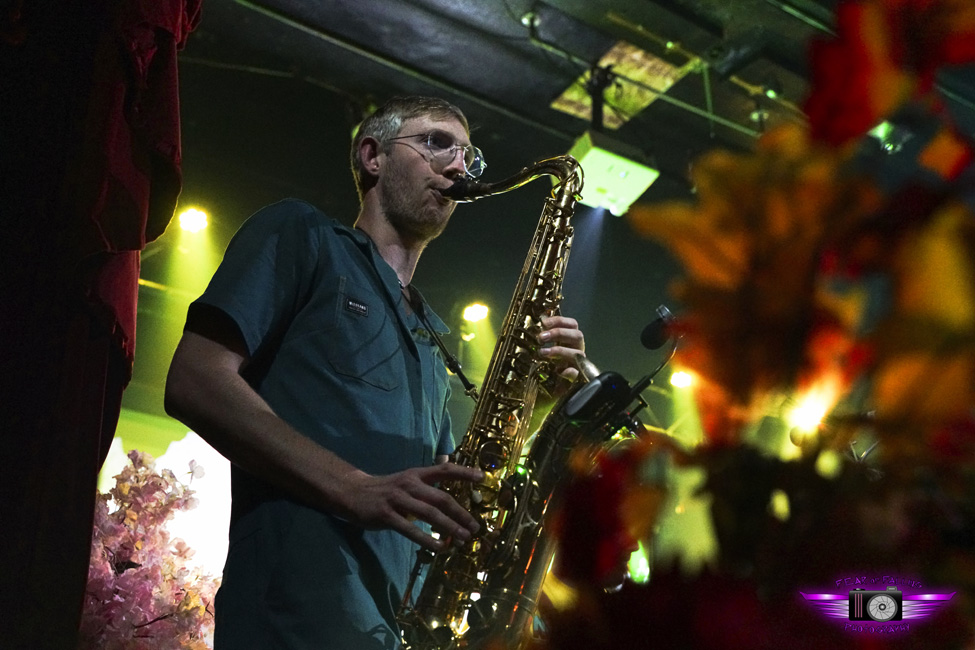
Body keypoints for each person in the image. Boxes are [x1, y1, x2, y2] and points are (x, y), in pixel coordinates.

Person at [164, 95, 586, 649]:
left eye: (468, 155)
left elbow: (453, 487)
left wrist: (537, 398)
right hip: (293, 619)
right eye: (436, 142)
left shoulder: (431, 334)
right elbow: (194, 379)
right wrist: (353, 486)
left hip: (393, 630)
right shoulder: (303, 233)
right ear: (372, 156)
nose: (458, 166)